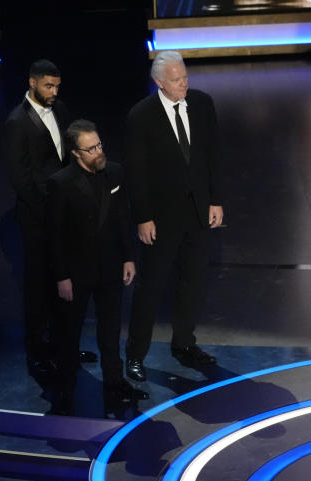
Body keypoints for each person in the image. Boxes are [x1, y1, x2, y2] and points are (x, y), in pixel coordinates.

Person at [124, 50, 224, 381]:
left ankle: (184, 344)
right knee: (150, 289)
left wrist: (215, 200)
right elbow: (136, 172)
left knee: (192, 284)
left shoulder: (202, 103)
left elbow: (212, 155)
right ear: (159, 83)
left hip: (197, 213)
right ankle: (135, 355)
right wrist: (143, 217)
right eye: (177, 79)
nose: (185, 83)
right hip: (161, 219)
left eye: (185, 76)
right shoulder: (141, 115)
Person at [46, 120, 147, 414]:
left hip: (110, 267)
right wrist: (62, 276)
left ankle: (114, 382)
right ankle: (65, 387)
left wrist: (129, 257)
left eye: (99, 145)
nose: (98, 152)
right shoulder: (60, 183)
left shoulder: (114, 172)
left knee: (110, 328)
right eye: (90, 149)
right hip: (75, 274)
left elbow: (121, 219)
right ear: (75, 153)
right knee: (69, 331)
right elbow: (54, 235)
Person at [3, 59, 95, 374]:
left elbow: (69, 157)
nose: (54, 92)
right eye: (48, 86)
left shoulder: (61, 109)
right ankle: (37, 350)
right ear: (32, 83)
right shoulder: (18, 121)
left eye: (57, 86)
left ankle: (65, 346)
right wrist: (49, 213)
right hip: (37, 219)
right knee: (39, 286)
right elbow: (20, 178)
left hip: (64, 215)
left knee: (66, 283)